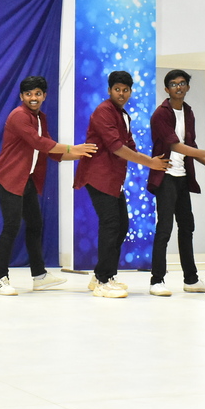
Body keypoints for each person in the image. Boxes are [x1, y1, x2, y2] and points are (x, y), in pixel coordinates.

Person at [0, 75, 96, 296]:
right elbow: (39, 142)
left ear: (44, 96)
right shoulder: (18, 115)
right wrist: (72, 148)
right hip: (8, 178)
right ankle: (0, 279)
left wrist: (81, 154)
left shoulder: (40, 118)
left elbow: (50, 151)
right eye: (29, 94)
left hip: (26, 179)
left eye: (38, 94)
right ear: (21, 96)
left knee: (35, 225)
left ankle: (39, 276)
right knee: (11, 226)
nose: (33, 98)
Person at [75, 71, 170, 299]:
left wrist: (150, 160)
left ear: (130, 92)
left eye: (126, 90)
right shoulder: (103, 111)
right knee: (111, 225)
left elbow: (129, 146)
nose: (121, 93)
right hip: (98, 177)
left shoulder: (123, 114)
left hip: (113, 179)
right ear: (109, 90)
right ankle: (103, 281)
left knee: (121, 226)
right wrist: (150, 163)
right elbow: (116, 147)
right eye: (117, 89)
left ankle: (102, 275)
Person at [147, 69, 205, 296]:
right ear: (166, 89)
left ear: (188, 87)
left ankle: (191, 279)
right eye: (174, 84)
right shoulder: (160, 114)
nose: (179, 87)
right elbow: (175, 145)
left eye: (183, 83)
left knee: (187, 227)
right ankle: (157, 280)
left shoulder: (188, 112)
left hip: (183, 177)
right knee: (164, 228)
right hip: (165, 175)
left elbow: (191, 146)